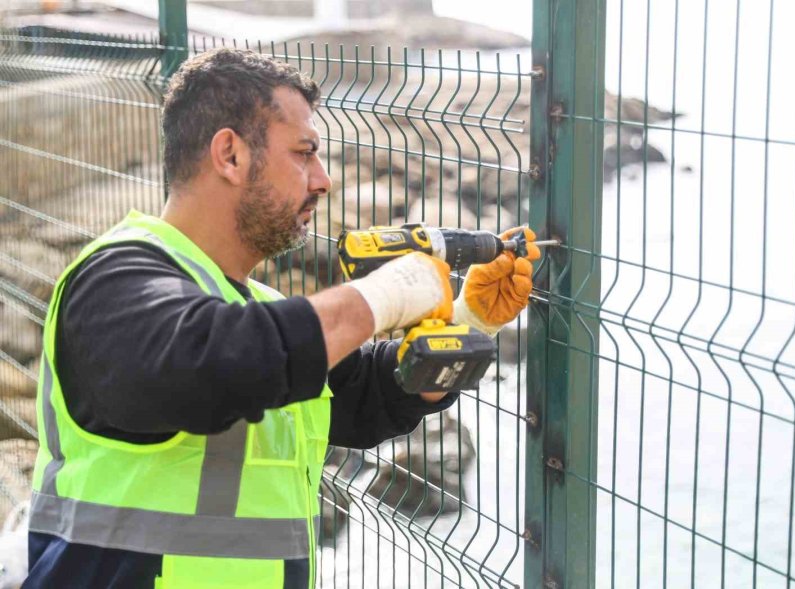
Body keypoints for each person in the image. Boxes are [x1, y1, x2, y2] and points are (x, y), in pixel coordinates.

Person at [23, 48, 539, 589]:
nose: (323, 180)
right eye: (304, 153)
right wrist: (380, 297)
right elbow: (206, 363)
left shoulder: (257, 306)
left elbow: (365, 396)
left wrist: (468, 321)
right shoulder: (116, 279)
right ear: (230, 155)